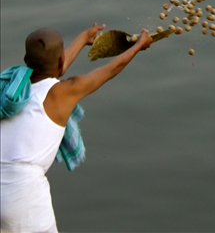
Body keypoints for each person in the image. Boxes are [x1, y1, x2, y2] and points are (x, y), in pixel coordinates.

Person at [1, 23, 152, 233]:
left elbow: (50, 72)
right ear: (61, 60)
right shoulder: (62, 93)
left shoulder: (10, 92)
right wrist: (138, 46)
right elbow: (109, 71)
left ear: (26, 60)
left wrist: (83, 39)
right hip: (23, 198)